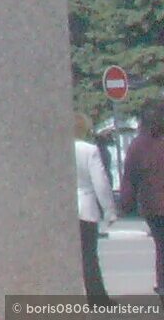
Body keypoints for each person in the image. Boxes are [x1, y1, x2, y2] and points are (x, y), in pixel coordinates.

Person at [121, 102, 164, 300]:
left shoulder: (138, 145)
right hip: (154, 207)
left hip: (153, 207)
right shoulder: (141, 145)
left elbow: (129, 177)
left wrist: (126, 204)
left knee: (162, 247)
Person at [78, 115, 118, 304]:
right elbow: (100, 182)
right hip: (85, 208)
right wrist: (109, 210)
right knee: (89, 255)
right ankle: (97, 297)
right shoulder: (89, 150)